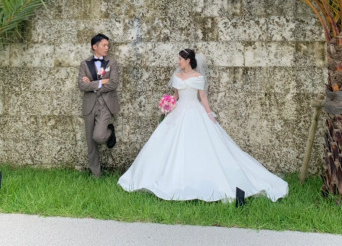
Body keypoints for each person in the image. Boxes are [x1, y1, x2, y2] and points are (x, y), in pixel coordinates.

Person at [118, 48, 288, 202]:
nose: (178, 62)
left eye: (181, 59)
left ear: (188, 61)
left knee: (200, 146)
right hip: (177, 113)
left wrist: (209, 114)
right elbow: (175, 96)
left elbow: (203, 97)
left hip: (194, 111)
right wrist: (167, 104)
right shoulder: (177, 77)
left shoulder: (198, 78)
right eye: (178, 59)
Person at [78, 33, 120, 177]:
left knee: (98, 136)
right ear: (94, 47)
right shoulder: (85, 64)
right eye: (104, 45)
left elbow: (113, 83)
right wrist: (102, 82)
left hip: (105, 105)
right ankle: (96, 175)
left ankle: (109, 132)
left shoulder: (112, 63)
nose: (107, 48)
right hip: (89, 105)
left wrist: (92, 85)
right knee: (91, 143)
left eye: (108, 45)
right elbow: (82, 86)